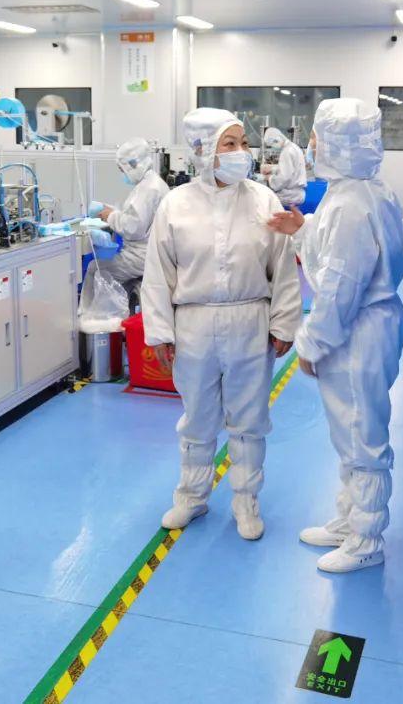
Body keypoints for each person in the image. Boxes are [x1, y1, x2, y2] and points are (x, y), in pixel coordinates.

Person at [142, 107, 301, 540]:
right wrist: (159, 330)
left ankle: (246, 502)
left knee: (249, 419)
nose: (241, 152)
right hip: (193, 323)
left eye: (243, 143)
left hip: (251, 320)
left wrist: (284, 323)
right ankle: (191, 496)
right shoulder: (175, 204)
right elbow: (158, 274)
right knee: (197, 416)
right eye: (229, 144)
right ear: (203, 150)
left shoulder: (263, 200)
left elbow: (283, 267)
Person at [268, 97, 403, 573]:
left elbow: (339, 287)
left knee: (361, 435)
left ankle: (366, 540)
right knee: (349, 431)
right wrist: (301, 229)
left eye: (316, 138)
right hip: (366, 323)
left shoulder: (350, 204)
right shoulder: (361, 192)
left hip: (357, 330)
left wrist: (311, 343)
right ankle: (350, 521)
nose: (311, 146)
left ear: (337, 143)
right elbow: (333, 253)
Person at [78, 138, 169, 317]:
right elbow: (137, 217)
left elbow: (133, 228)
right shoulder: (151, 183)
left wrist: (110, 215)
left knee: (95, 268)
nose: (122, 175)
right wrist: (113, 212)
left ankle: (91, 317)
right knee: (105, 267)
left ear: (133, 165)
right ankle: (115, 314)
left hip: (141, 256)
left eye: (122, 170)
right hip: (149, 253)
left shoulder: (148, 189)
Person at [261, 127, 307, 206]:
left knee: (264, 201)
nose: (273, 147)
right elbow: (291, 169)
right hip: (297, 193)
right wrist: (272, 169)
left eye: (272, 144)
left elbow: (284, 178)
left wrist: (269, 178)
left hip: (289, 195)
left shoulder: (286, 152)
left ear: (277, 140)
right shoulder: (294, 147)